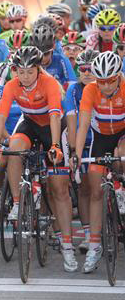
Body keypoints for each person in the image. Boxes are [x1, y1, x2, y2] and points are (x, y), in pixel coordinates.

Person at [0, 46, 77, 273]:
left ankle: (67, 246)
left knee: (58, 189)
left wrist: (56, 146)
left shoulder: (48, 83)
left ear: (38, 69)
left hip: (52, 126)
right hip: (30, 122)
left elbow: (56, 116)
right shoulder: (11, 85)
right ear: (15, 70)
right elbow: (0, 117)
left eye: (30, 72)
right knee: (14, 148)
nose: (25, 76)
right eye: (21, 71)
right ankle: (18, 202)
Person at [71, 51, 125, 273]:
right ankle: (95, 245)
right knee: (95, 190)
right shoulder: (91, 90)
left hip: (122, 133)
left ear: (119, 76)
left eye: (110, 81)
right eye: (100, 81)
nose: (105, 86)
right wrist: (76, 154)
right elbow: (83, 125)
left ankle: (121, 188)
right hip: (100, 136)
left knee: (122, 153)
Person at [63, 49, 98, 255]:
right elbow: (71, 121)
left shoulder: (107, 85)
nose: (86, 72)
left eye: (91, 69)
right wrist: (75, 150)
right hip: (82, 139)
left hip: (103, 137)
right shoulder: (73, 90)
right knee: (85, 189)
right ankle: (87, 233)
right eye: (82, 69)